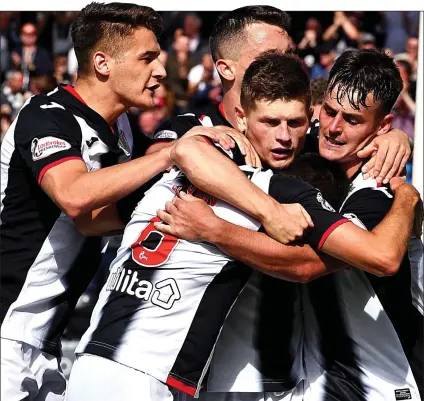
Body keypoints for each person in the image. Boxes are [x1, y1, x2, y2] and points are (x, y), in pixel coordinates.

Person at [65, 51, 420, 401]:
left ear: (382, 126)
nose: (333, 128)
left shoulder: (378, 185)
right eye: (329, 112)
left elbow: (321, 263)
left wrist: (408, 194)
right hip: (244, 376)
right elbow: (175, 159)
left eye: (353, 120)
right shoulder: (262, 158)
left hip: (377, 383)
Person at [0, 3, 237, 401]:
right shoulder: (46, 114)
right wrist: (170, 153)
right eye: (147, 58)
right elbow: (76, 199)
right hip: (8, 332)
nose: (160, 70)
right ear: (102, 62)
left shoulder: (120, 126)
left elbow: (101, 217)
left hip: (43, 341)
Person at [149, 6, 411, 190]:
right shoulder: (192, 128)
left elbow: (356, 140)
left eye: (289, 55)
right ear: (225, 68)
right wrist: (204, 144)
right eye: (270, 56)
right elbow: (157, 160)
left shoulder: (307, 132)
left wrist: (395, 139)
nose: (285, 65)